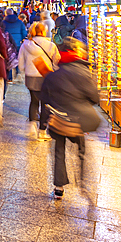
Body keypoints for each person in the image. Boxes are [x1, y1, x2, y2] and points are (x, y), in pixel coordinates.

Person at [40, 38, 102, 198]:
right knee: (81, 148)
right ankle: (83, 180)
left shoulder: (52, 76)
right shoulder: (83, 73)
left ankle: (59, 187)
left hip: (59, 121)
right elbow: (95, 98)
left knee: (59, 150)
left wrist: (47, 118)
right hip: (78, 122)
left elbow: (44, 100)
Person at [19, 22, 60, 140]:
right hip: (46, 77)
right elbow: (57, 63)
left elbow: (21, 64)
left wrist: (25, 70)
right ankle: (42, 132)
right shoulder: (51, 45)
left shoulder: (25, 44)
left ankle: (32, 126)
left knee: (34, 102)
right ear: (44, 32)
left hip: (31, 77)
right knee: (45, 104)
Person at [2, 11, 27, 80]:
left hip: (7, 43)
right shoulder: (20, 22)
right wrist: (20, 39)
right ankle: (17, 74)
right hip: (17, 43)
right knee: (17, 58)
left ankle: (9, 77)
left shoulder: (3, 22)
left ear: (6, 14)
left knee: (8, 59)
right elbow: (24, 33)